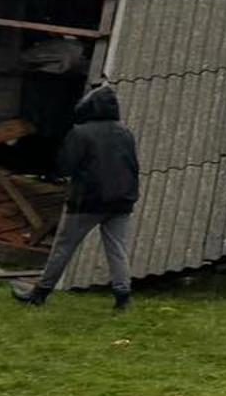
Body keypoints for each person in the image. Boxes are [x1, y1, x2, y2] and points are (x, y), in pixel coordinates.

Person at [13, 85, 139, 309]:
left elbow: (65, 166)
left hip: (88, 201)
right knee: (116, 248)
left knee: (64, 246)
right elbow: (132, 166)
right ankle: (123, 296)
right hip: (122, 200)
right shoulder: (125, 131)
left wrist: (52, 176)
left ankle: (40, 293)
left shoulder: (81, 132)